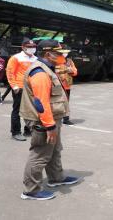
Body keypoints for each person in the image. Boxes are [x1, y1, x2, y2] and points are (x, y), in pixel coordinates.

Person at [20, 39, 79, 201]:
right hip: (44, 121)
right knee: (40, 154)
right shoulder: (40, 73)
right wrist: (49, 126)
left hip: (52, 118)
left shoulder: (47, 68)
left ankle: (56, 178)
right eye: (58, 53)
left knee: (54, 150)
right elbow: (41, 103)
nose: (61, 56)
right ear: (48, 54)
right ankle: (30, 190)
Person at [6, 38, 38, 141]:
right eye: (29, 47)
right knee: (17, 110)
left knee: (32, 110)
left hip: (32, 88)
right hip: (19, 88)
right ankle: (15, 132)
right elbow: (10, 73)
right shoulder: (16, 58)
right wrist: (14, 86)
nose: (32, 49)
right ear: (23, 47)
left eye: (33, 47)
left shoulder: (35, 59)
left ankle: (28, 130)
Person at [55, 45, 78, 125]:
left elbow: (75, 71)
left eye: (67, 52)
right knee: (56, 102)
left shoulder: (69, 61)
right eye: (64, 51)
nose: (65, 53)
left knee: (66, 102)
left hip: (67, 85)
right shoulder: (55, 60)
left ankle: (66, 119)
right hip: (57, 85)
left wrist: (70, 71)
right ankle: (56, 118)